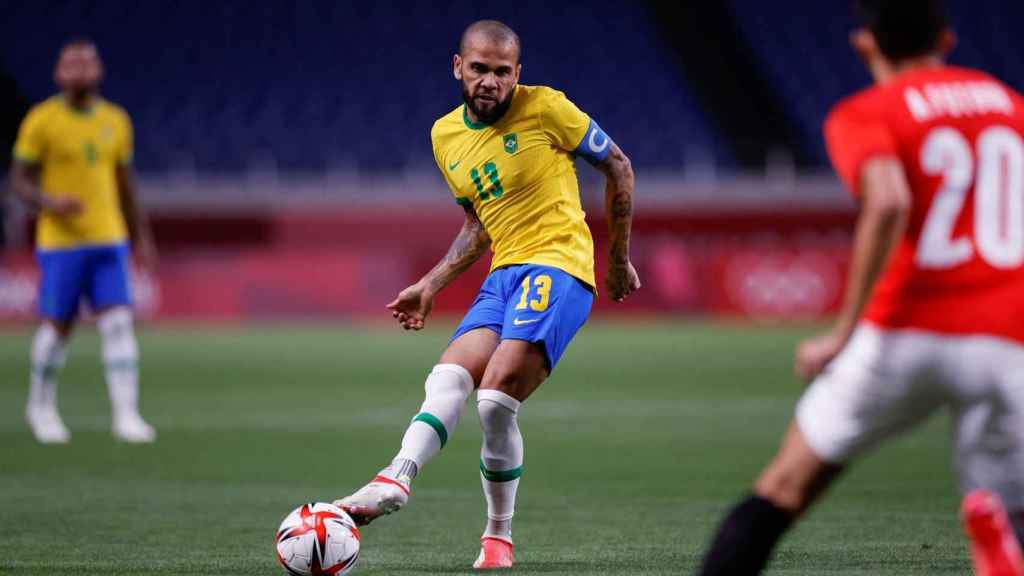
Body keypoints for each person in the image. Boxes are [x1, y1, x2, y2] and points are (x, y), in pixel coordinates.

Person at [696, 1, 1024, 574]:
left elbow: (890, 198)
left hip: (905, 332)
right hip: (1008, 337)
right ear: (946, 39)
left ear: (864, 44)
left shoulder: (865, 113)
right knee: (1011, 514)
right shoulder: (1009, 106)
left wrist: (843, 330)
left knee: (783, 489)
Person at [336, 19, 639, 570]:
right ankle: (394, 481)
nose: (490, 82)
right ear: (458, 67)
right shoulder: (444, 136)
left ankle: (497, 539)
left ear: (517, 74)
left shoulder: (547, 107)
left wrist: (616, 259)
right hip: (504, 275)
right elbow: (480, 224)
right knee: (448, 377)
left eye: (502, 72)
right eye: (479, 69)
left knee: (495, 399)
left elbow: (618, 165)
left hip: (560, 266)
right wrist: (431, 284)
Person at [10, 39, 157, 444]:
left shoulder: (116, 120)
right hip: (61, 242)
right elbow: (18, 179)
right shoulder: (42, 120)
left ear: (99, 71)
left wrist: (141, 233)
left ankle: (127, 416)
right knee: (59, 326)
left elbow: (125, 185)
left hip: (109, 239)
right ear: (59, 73)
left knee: (118, 322)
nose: (79, 69)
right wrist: (49, 201)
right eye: (71, 63)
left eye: (87, 62)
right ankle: (40, 408)